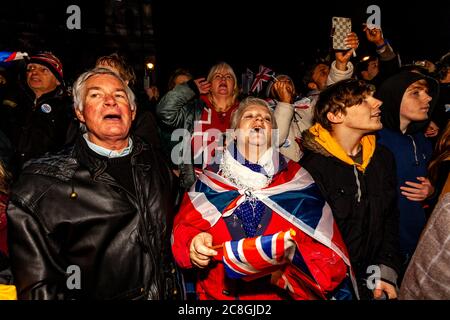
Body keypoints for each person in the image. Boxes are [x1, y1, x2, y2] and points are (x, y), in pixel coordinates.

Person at [7, 68, 182, 300]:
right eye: (96, 95)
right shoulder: (42, 185)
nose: (110, 101)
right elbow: (39, 287)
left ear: (132, 110)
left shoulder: (155, 163)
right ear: (79, 112)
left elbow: (174, 226)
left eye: (119, 95)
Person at [172, 97, 354, 300]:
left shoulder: (296, 178)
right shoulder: (211, 180)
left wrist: (290, 256)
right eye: (249, 116)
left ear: (273, 135)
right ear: (233, 134)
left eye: (267, 119)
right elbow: (182, 230)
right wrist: (193, 244)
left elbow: (328, 249)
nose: (258, 120)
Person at [300, 79, 402, 300]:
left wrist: (387, 268)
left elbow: (390, 218)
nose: (378, 103)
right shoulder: (312, 169)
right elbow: (310, 241)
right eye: (364, 100)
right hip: (334, 283)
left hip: (374, 275)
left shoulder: (382, 158)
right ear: (336, 116)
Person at [375, 70, 440, 275]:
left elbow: (427, 182)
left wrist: (431, 190)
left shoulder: (421, 139)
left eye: (427, 92)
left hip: (416, 243)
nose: (427, 98)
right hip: (382, 251)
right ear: (393, 96)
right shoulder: (374, 139)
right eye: (416, 93)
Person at [157, 61, 240, 189]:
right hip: (197, 187)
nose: (223, 78)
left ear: (234, 86)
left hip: (235, 187)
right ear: (209, 85)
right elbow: (164, 112)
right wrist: (190, 88)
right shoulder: (194, 108)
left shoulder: (245, 112)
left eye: (228, 76)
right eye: (217, 76)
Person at [0, 52, 73, 177]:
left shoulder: (68, 110)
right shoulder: (11, 98)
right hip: (6, 176)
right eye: (30, 69)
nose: (34, 72)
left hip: (41, 181)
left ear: (58, 80)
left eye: (43, 70)